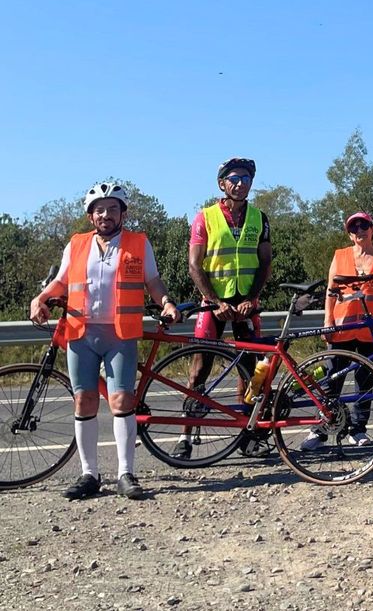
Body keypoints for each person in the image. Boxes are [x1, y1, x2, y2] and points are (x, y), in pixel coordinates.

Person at [29, 183, 179, 500]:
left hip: (120, 333)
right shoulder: (77, 244)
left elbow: (152, 280)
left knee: (122, 401)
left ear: (123, 213)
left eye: (112, 208)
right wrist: (40, 298)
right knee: (84, 401)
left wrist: (166, 301)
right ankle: (89, 475)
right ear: (90, 215)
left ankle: (126, 473)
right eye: (99, 209)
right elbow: (61, 281)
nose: (106, 214)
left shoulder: (138, 242)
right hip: (80, 332)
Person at [181, 157, 272, 459]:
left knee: (250, 371)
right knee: (200, 369)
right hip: (214, 303)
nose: (240, 183)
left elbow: (265, 262)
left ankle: (247, 434)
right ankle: (185, 436)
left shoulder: (260, 217)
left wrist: (252, 298)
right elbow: (195, 265)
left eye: (246, 178)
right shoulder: (204, 217)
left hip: (246, 301)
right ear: (222, 184)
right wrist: (213, 301)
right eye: (234, 178)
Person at [303, 211, 373, 451]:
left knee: (364, 382)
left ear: (372, 228)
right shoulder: (340, 255)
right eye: (354, 228)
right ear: (349, 234)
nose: (359, 231)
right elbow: (330, 291)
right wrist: (327, 322)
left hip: (372, 329)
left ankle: (358, 429)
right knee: (332, 380)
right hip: (342, 328)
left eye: (363, 226)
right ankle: (320, 429)